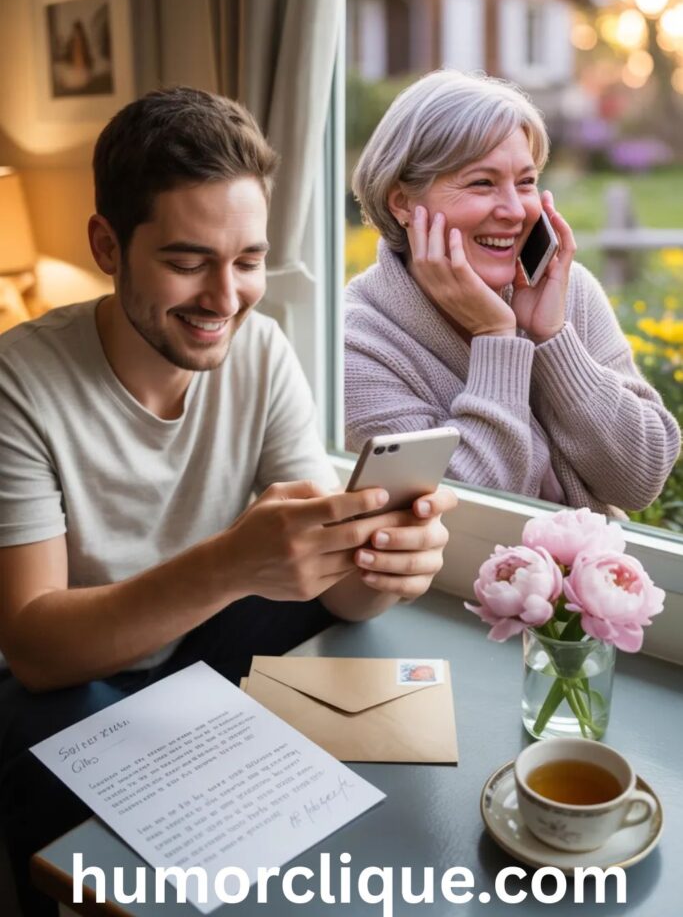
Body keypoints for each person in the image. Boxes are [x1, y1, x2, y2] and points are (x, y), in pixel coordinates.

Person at [0, 86, 456, 916]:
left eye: (247, 260)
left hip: (199, 632)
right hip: (68, 671)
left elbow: (332, 589)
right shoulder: (19, 382)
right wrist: (231, 560)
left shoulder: (264, 348)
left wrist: (382, 565)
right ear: (107, 244)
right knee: (46, 730)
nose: (225, 298)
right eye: (186, 261)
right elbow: (33, 644)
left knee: (362, 716)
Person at [345, 70, 680, 514]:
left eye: (525, 182)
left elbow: (640, 480)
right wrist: (496, 337)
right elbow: (462, 518)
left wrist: (554, 339)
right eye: (481, 183)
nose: (514, 211)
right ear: (402, 202)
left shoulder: (567, 291)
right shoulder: (355, 343)